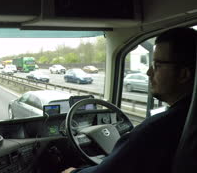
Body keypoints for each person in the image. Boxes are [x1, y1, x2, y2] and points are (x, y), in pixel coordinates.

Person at [61, 27, 196, 173]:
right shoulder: (186, 120)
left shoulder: (154, 130)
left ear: (184, 74)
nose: (149, 72)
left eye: (157, 66)